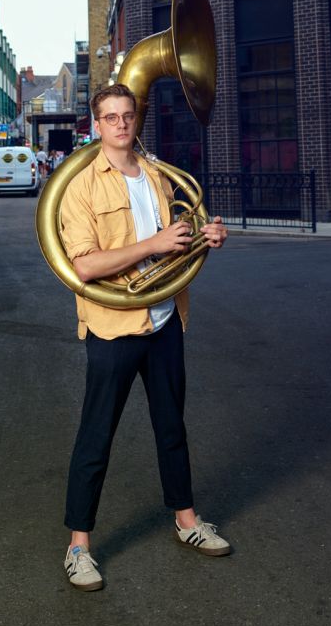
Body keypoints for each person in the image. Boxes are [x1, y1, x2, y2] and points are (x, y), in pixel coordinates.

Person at [59, 82, 230, 591]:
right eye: (109, 117)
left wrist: (206, 236)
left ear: (137, 120)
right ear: (97, 124)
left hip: (164, 320)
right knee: (96, 436)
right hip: (114, 326)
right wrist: (152, 243)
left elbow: (176, 241)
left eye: (127, 115)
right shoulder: (81, 187)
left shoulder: (156, 176)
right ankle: (78, 548)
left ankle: (187, 521)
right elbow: (85, 265)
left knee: (170, 426)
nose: (120, 124)